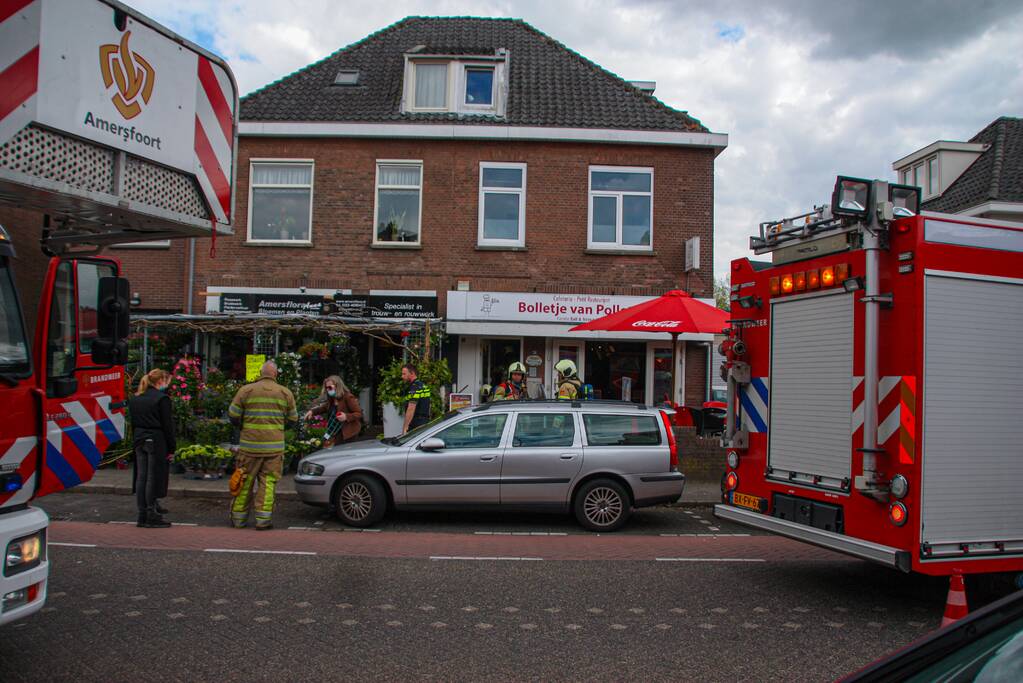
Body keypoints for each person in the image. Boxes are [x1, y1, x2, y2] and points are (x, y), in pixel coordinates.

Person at [227, 360, 298, 530]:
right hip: (273, 448)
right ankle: (263, 520)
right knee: (268, 483)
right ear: (275, 374)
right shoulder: (285, 392)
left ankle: (238, 519)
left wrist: (243, 426)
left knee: (244, 481)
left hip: (249, 447)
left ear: (260, 373)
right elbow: (293, 419)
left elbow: (233, 415)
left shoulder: (246, 390)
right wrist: (279, 428)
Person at [129, 368, 175, 529]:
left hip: (139, 438)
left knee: (141, 477)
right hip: (155, 440)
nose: (168, 385)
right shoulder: (162, 399)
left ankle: (142, 514)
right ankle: (151, 514)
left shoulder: (136, 398)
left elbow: (132, 422)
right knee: (153, 477)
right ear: (160, 381)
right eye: (167, 381)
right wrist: (172, 447)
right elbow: (167, 425)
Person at [304, 375, 363, 447]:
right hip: (335, 430)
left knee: (343, 453)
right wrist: (312, 412)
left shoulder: (348, 397)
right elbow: (325, 408)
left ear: (337, 386)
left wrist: (346, 416)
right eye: (326, 388)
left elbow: (359, 413)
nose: (328, 390)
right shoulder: (332, 398)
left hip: (348, 432)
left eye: (330, 387)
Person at [401, 363, 431, 434]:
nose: (402, 376)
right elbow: (429, 405)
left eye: (404, 374)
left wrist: (405, 428)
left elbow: (411, 408)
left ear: (412, 373)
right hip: (424, 421)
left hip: (416, 423)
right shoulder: (423, 385)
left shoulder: (414, 387)